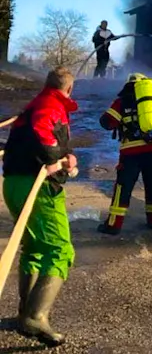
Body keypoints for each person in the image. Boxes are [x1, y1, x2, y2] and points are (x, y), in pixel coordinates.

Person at [2, 67, 80, 346]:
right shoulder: (51, 105)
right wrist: (59, 156)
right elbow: (44, 130)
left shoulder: (36, 102)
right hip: (38, 185)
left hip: (13, 182)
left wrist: (62, 154)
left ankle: (25, 315)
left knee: (35, 248)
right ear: (69, 89)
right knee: (59, 249)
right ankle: (36, 316)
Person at [96, 73, 152, 235]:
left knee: (123, 187)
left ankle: (114, 225)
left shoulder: (121, 102)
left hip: (131, 152)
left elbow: (107, 123)